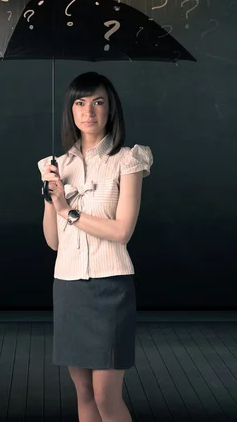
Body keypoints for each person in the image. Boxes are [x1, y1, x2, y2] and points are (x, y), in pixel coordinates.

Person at [37, 71, 153, 422]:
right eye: (81, 102)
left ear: (110, 109)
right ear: (71, 111)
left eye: (98, 102)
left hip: (110, 286)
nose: (89, 110)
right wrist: (50, 197)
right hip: (69, 287)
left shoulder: (128, 160)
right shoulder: (57, 166)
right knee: (84, 393)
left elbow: (122, 232)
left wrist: (67, 210)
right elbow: (53, 242)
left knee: (105, 395)